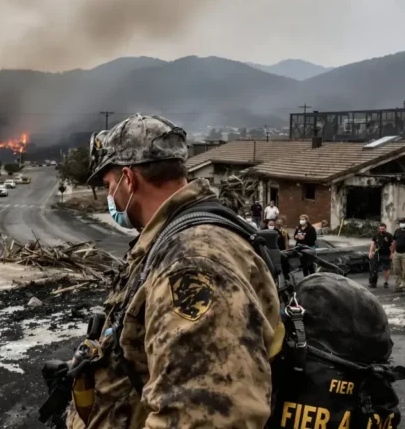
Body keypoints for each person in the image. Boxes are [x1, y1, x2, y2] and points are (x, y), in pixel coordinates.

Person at [66, 114, 280, 428]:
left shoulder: (193, 262)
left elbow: (206, 415)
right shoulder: (171, 240)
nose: (110, 197)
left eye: (109, 185)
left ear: (129, 179)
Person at [369, 223, 394, 289]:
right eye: (380, 229)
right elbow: (372, 244)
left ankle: (386, 282)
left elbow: (392, 245)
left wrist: (392, 253)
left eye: (383, 229)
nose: (381, 230)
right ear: (379, 229)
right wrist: (370, 252)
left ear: (385, 228)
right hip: (378, 254)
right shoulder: (376, 235)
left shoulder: (389, 235)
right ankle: (373, 282)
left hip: (386, 254)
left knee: (386, 269)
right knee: (374, 269)